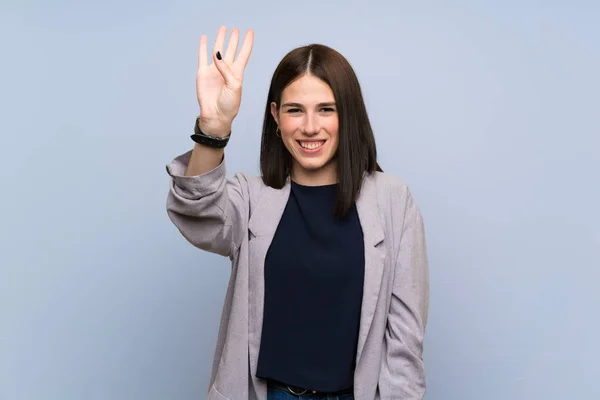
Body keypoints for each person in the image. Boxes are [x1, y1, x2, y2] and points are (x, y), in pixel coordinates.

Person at [166, 26, 429, 400]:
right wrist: (213, 128)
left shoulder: (392, 200)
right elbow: (198, 214)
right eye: (294, 110)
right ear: (276, 116)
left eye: (326, 109)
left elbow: (405, 336)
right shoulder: (251, 197)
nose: (310, 127)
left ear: (348, 114)